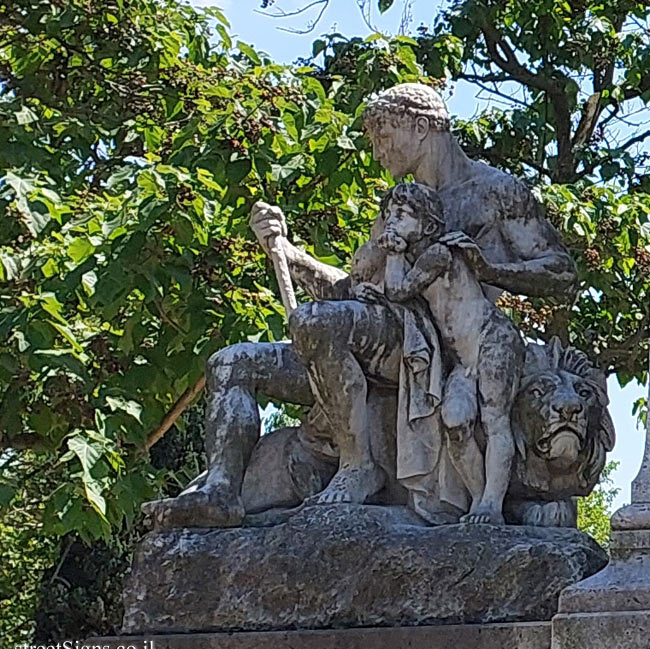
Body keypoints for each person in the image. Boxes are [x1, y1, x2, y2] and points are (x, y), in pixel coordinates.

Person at [145, 83, 576, 529]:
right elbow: (351, 291)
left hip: (436, 347)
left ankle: (358, 468)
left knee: (318, 324)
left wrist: (487, 269)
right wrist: (290, 254)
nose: (377, 152)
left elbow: (562, 274)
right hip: (379, 333)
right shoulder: (395, 208)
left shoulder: (495, 193)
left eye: (384, 136)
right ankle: (219, 491)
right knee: (231, 363)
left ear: (422, 126)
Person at [366, 182, 525, 525]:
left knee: (494, 419)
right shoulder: (420, 258)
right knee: (455, 422)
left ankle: (491, 506)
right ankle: (480, 501)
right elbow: (401, 298)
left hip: (493, 339)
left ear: (427, 225)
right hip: (463, 361)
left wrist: (392, 255)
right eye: (389, 214)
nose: (392, 221)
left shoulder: (438, 253)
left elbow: (399, 290)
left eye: (403, 215)